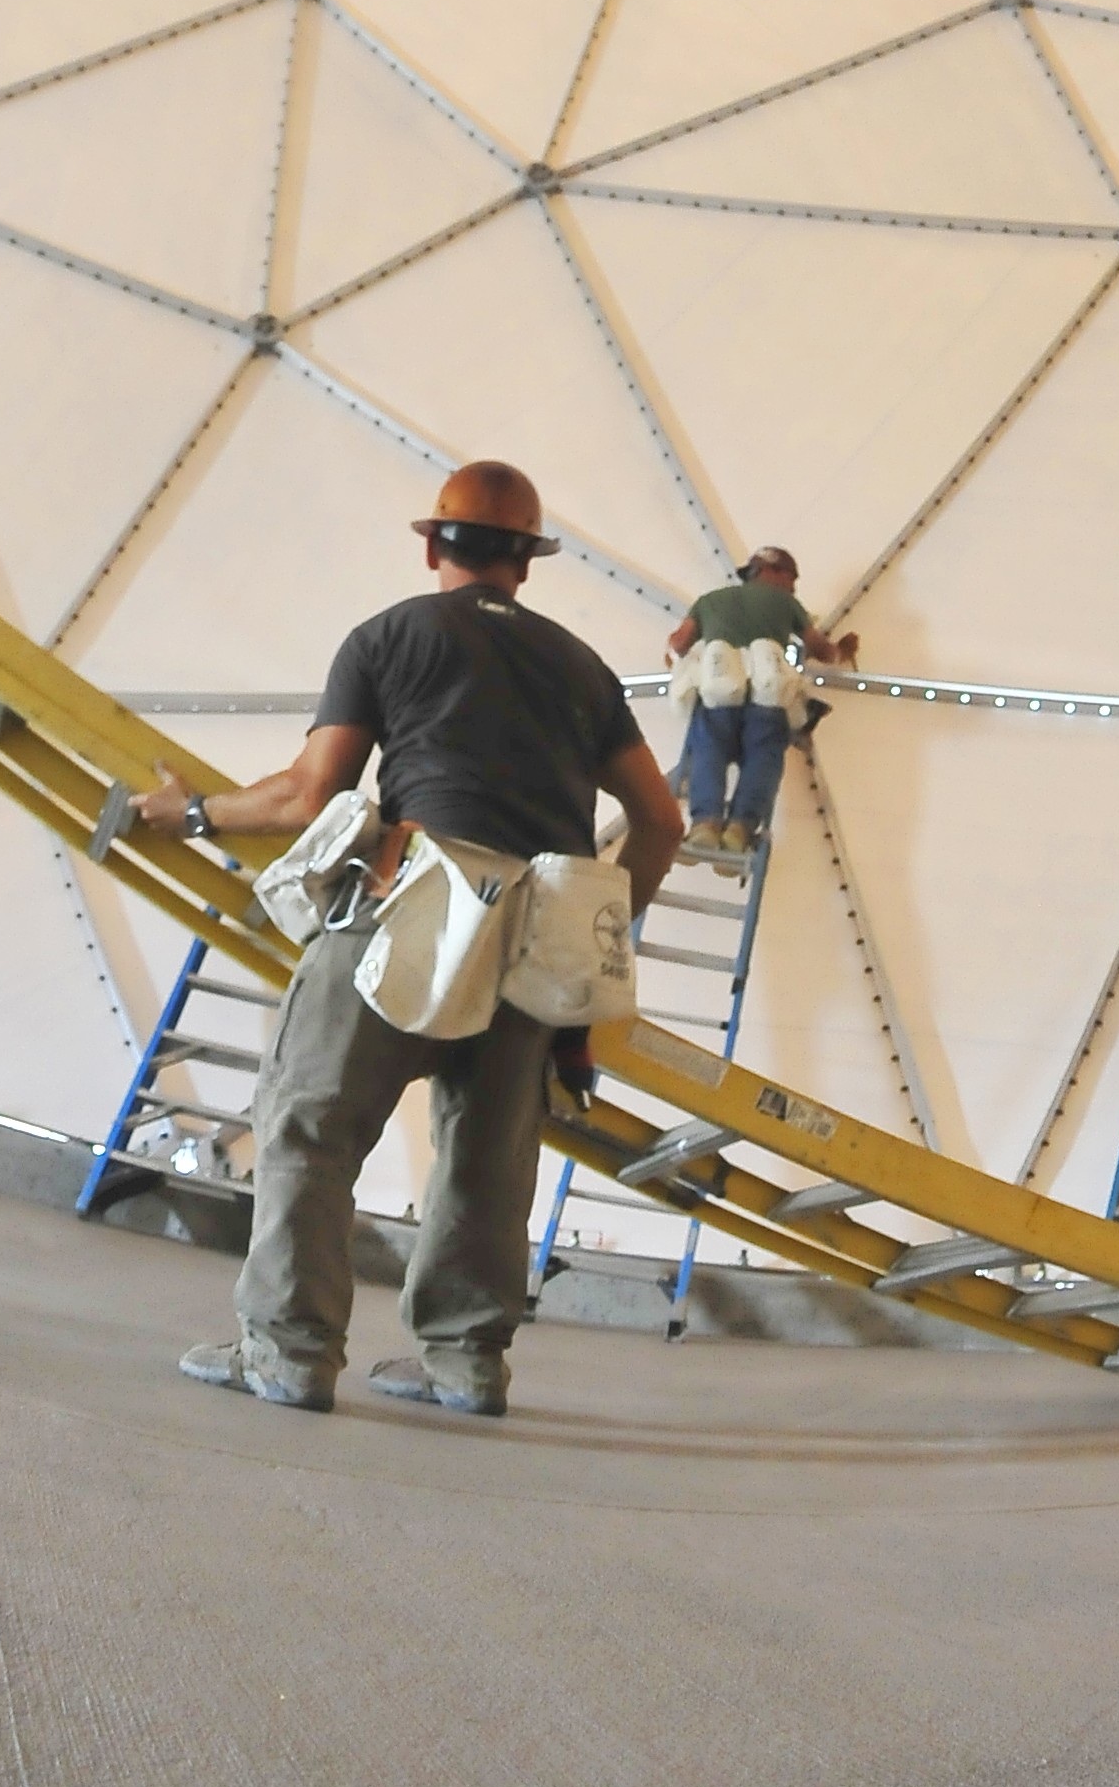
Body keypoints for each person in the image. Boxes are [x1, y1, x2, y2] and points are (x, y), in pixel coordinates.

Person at [130, 459, 683, 1421]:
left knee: (312, 1123)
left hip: (412, 909)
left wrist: (194, 815)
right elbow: (662, 822)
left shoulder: (391, 636)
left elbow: (308, 795)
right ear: (527, 562)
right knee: (488, 1157)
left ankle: (290, 1352)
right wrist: (591, 943)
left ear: (434, 545)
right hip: (533, 941)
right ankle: (467, 1365)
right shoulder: (585, 671)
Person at [661, 544, 858, 855]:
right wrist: (843, 652)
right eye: (792, 577)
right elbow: (822, 649)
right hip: (768, 694)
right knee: (763, 758)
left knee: (707, 752)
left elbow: (679, 642)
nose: (793, 586)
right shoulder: (786, 602)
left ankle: (705, 825)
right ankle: (740, 828)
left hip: (718, 690)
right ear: (774, 572)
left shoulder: (710, 601)